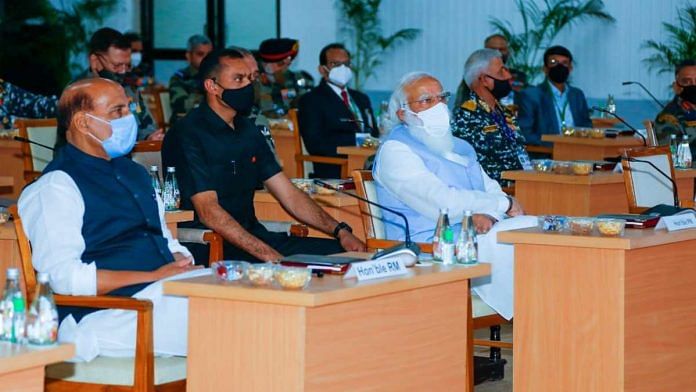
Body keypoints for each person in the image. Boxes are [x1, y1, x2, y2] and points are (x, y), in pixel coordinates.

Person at [18, 78, 204, 362]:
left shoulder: (135, 173)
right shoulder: (56, 186)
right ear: (83, 123)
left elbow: (164, 239)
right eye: (117, 112)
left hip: (160, 296)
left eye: (128, 109)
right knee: (223, 317)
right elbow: (63, 278)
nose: (128, 119)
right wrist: (154, 277)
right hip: (109, 314)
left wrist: (180, 259)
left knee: (245, 295)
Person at [162, 49, 365, 263]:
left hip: (255, 238)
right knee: (302, 266)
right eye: (238, 79)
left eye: (250, 79)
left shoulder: (248, 129)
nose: (247, 86)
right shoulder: (187, 134)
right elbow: (209, 212)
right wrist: (274, 259)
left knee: (346, 255)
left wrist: (340, 230)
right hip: (213, 244)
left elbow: (289, 194)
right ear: (212, 86)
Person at [372, 71, 535, 319]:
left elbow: (490, 188)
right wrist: (503, 204)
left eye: (441, 98)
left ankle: (543, 319)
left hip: (473, 236)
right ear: (402, 113)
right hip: (432, 247)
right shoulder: (396, 150)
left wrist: (489, 213)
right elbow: (443, 202)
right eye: (426, 101)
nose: (437, 106)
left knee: (536, 230)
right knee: (527, 236)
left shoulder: (459, 146)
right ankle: (537, 315)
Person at [297, 43, 377, 179]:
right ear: (322, 70)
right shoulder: (311, 100)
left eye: (346, 64)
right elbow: (315, 144)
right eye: (336, 64)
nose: (343, 69)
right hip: (335, 168)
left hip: (368, 165)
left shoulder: (361, 98)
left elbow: (373, 131)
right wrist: (357, 140)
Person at [451, 49, 529, 185]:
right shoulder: (467, 117)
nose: (509, 76)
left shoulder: (504, 112)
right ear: (483, 80)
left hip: (521, 184)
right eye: (501, 72)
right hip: (495, 192)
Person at [74, 27, 162, 141]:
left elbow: (144, 121)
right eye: (117, 65)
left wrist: (150, 136)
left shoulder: (128, 86)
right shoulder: (77, 91)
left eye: (127, 65)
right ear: (94, 60)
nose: (123, 71)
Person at [515, 45, 592, 145]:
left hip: (578, 151)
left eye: (564, 63)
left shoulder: (577, 95)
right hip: (547, 153)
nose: (559, 66)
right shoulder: (531, 95)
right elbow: (525, 133)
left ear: (570, 68)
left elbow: (586, 126)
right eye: (553, 62)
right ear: (545, 69)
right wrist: (556, 145)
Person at [454, 34, 526, 108]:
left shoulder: (518, 76)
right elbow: (461, 102)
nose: (498, 52)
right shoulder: (474, 77)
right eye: (493, 49)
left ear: (508, 51)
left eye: (502, 49)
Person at [256, 38, 314, 119]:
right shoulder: (253, 83)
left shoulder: (297, 78)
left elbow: (306, 105)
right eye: (280, 64)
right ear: (265, 64)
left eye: (288, 64)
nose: (285, 69)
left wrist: (284, 85)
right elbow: (265, 111)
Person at [168, 35, 213, 125]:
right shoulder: (179, 78)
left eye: (209, 55)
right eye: (200, 54)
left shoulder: (216, 76)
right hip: (187, 125)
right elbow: (181, 105)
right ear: (189, 56)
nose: (205, 59)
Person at [655, 59, 696, 156]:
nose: (693, 85)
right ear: (676, 87)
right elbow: (673, 155)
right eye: (686, 81)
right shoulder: (668, 118)